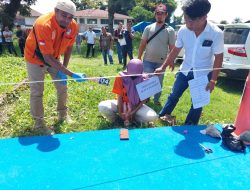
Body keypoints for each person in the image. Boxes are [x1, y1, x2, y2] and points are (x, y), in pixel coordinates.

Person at [155, 0, 224, 125]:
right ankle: (163, 116)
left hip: (203, 73)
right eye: (186, 18)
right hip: (185, 70)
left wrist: (213, 80)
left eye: (191, 20)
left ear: (204, 17)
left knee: (198, 102)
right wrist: (163, 67)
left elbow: (219, 57)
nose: (187, 23)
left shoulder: (216, 33)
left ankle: (190, 125)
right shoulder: (183, 30)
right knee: (174, 95)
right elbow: (176, 50)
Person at [24, 0, 85, 134]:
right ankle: (39, 123)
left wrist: (64, 68)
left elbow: (69, 47)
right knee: (37, 91)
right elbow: (47, 58)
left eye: (70, 17)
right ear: (56, 11)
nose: (67, 20)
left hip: (55, 58)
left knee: (62, 86)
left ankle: (63, 114)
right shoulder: (44, 25)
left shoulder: (73, 26)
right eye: (64, 15)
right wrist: (71, 73)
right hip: (35, 58)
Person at [98, 59, 158, 126]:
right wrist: (120, 113)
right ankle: (117, 120)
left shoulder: (145, 79)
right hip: (121, 104)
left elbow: (144, 100)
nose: (133, 77)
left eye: (135, 75)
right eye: (131, 74)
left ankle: (133, 119)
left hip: (137, 106)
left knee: (153, 116)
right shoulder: (120, 77)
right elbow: (119, 97)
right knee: (102, 106)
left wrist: (133, 112)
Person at [138, 4, 175, 105]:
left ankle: (156, 100)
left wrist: (172, 61)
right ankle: (146, 98)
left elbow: (172, 48)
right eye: (157, 13)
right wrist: (138, 58)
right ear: (155, 15)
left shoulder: (170, 30)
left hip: (161, 63)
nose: (159, 15)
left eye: (162, 13)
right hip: (148, 61)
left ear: (166, 15)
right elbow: (142, 44)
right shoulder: (148, 28)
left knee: (158, 82)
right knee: (146, 81)